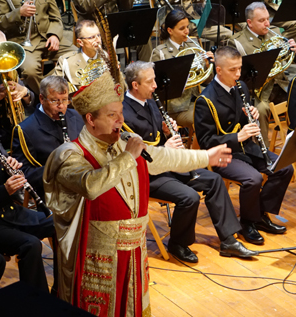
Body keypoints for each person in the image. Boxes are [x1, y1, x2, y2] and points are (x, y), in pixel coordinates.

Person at [43, 62, 237, 314]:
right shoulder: (70, 155)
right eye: (112, 115)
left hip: (134, 248)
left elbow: (163, 157)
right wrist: (128, 157)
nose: (121, 121)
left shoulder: (122, 142)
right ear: (90, 119)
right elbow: (90, 185)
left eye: (121, 113)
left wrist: (206, 157)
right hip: (95, 255)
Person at [123, 60, 257, 263]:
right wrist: (165, 148)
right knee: (189, 197)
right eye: (150, 82)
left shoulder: (149, 100)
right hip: (147, 174)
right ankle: (178, 243)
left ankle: (228, 239)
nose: (155, 86)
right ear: (135, 85)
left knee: (214, 180)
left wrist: (166, 131)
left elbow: (154, 134)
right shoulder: (123, 113)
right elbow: (138, 152)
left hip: (169, 164)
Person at [194, 46, 294, 246]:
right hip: (223, 153)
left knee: (284, 168)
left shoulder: (241, 87)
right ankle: (247, 222)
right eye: (233, 70)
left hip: (247, 149)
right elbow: (206, 142)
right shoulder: (205, 100)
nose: (238, 74)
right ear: (219, 70)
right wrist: (237, 137)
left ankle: (259, 216)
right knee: (253, 179)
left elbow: (244, 120)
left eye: (239, 68)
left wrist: (253, 116)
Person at [0, 111, 54, 292]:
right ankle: (35, 301)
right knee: (30, 244)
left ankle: (62, 286)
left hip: (8, 211)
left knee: (57, 223)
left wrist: (10, 169)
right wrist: (5, 190)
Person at [227, 1, 296, 146]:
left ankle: (292, 144)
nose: (267, 24)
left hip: (280, 85)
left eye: (267, 19)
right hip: (257, 92)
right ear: (249, 23)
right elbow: (235, 75)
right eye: (261, 20)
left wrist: (293, 51)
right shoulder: (236, 42)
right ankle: (263, 153)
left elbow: (287, 61)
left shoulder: (275, 33)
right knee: (261, 109)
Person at [11, 76, 84, 202]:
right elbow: (24, 174)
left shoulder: (77, 116)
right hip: (52, 195)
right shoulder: (25, 130)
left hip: (83, 184)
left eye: (65, 100)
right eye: (55, 101)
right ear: (41, 99)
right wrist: (56, 168)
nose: (61, 106)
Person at [0, 0, 77, 96]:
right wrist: (19, 13)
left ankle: (50, 90)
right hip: (22, 42)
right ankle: (47, 98)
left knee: (78, 56)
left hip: (48, 36)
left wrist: (55, 34)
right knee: (30, 71)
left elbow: (56, 18)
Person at [150, 9, 214, 137]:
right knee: (204, 121)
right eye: (182, 28)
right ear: (170, 30)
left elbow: (207, 80)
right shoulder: (160, 53)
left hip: (196, 100)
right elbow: (155, 89)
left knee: (218, 114)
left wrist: (208, 65)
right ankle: (199, 156)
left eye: (187, 27)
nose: (187, 31)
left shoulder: (192, 46)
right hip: (175, 107)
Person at [0, 28, 35, 150]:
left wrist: (25, 92)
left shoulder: (8, 66)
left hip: (15, 128)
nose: (3, 55)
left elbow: (31, 101)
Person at [53, 19, 103, 93]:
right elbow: (52, 88)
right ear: (80, 42)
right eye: (92, 37)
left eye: (98, 35)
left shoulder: (106, 57)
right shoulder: (67, 61)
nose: (98, 40)